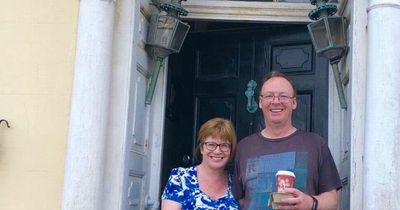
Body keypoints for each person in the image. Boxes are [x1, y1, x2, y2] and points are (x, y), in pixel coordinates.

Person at [232, 71, 342, 210]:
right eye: (269, 96)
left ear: (294, 103)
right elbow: (236, 200)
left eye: (283, 96)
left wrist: (310, 203)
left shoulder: (315, 144)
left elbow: (332, 200)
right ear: (260, 102)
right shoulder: (244, 147)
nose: (276, 101)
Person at [161, 117, 240, 210]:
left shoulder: (236, 182)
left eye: (224, 145)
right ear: (202, 148)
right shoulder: (180, 177)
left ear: (231, 150)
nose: (218, 151)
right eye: (211, 145)